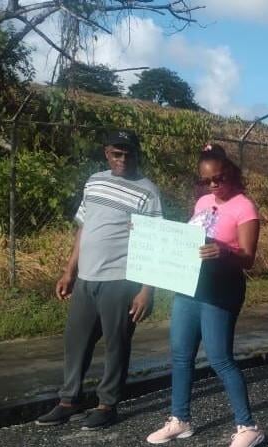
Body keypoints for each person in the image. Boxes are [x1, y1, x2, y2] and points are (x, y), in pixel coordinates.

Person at [35, 130, 162, 430]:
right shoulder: (94, 181)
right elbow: (84, 228)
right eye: (117, 153)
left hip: (120, 280)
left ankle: (107, 404)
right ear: (106, 153)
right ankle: (69, 400)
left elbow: (155, 241)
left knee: (116, 343)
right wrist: (70, 271)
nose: (122, 159)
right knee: (75, 341)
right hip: (87, 278)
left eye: (128, 153)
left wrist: (147, 291)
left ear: (136, 154)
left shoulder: (147, 191)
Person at [145, 144, 265, 447]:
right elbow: (189, 241)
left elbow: (248, 258)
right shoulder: (202, 202)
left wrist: (226, 251)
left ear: (231, 173)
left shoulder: (244, 207)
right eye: (206, 180)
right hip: (189, 287)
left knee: (219, 358)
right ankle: (180, 419)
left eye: (219, 178)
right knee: (181, 354)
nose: (213, 185)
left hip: (221, 289)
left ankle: (248, 427)